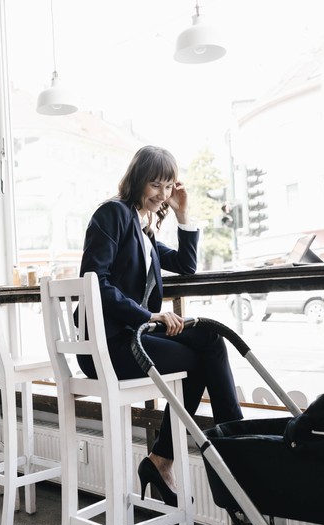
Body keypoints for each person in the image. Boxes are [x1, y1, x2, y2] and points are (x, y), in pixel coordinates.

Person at [77, 145, 243, 506]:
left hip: (131, 338)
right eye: (156, 184)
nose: (163, 194)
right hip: (107, 345)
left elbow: (186, 265)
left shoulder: (145, 229)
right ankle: (235, 451)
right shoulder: (113, 214)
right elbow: (95, 282)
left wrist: (184, 214)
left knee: (210, 340)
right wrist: (149, 315)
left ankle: (200, 452)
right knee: (201, 358)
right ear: (137, 179)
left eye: (168, 187)